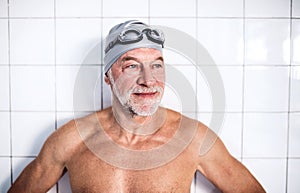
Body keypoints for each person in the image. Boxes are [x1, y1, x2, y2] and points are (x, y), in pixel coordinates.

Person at [8, 20, 265, 193]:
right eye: (131, 66)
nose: (148, 80)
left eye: (157, 65)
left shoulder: (194, 139)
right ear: (108, 76)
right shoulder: (71, 139)